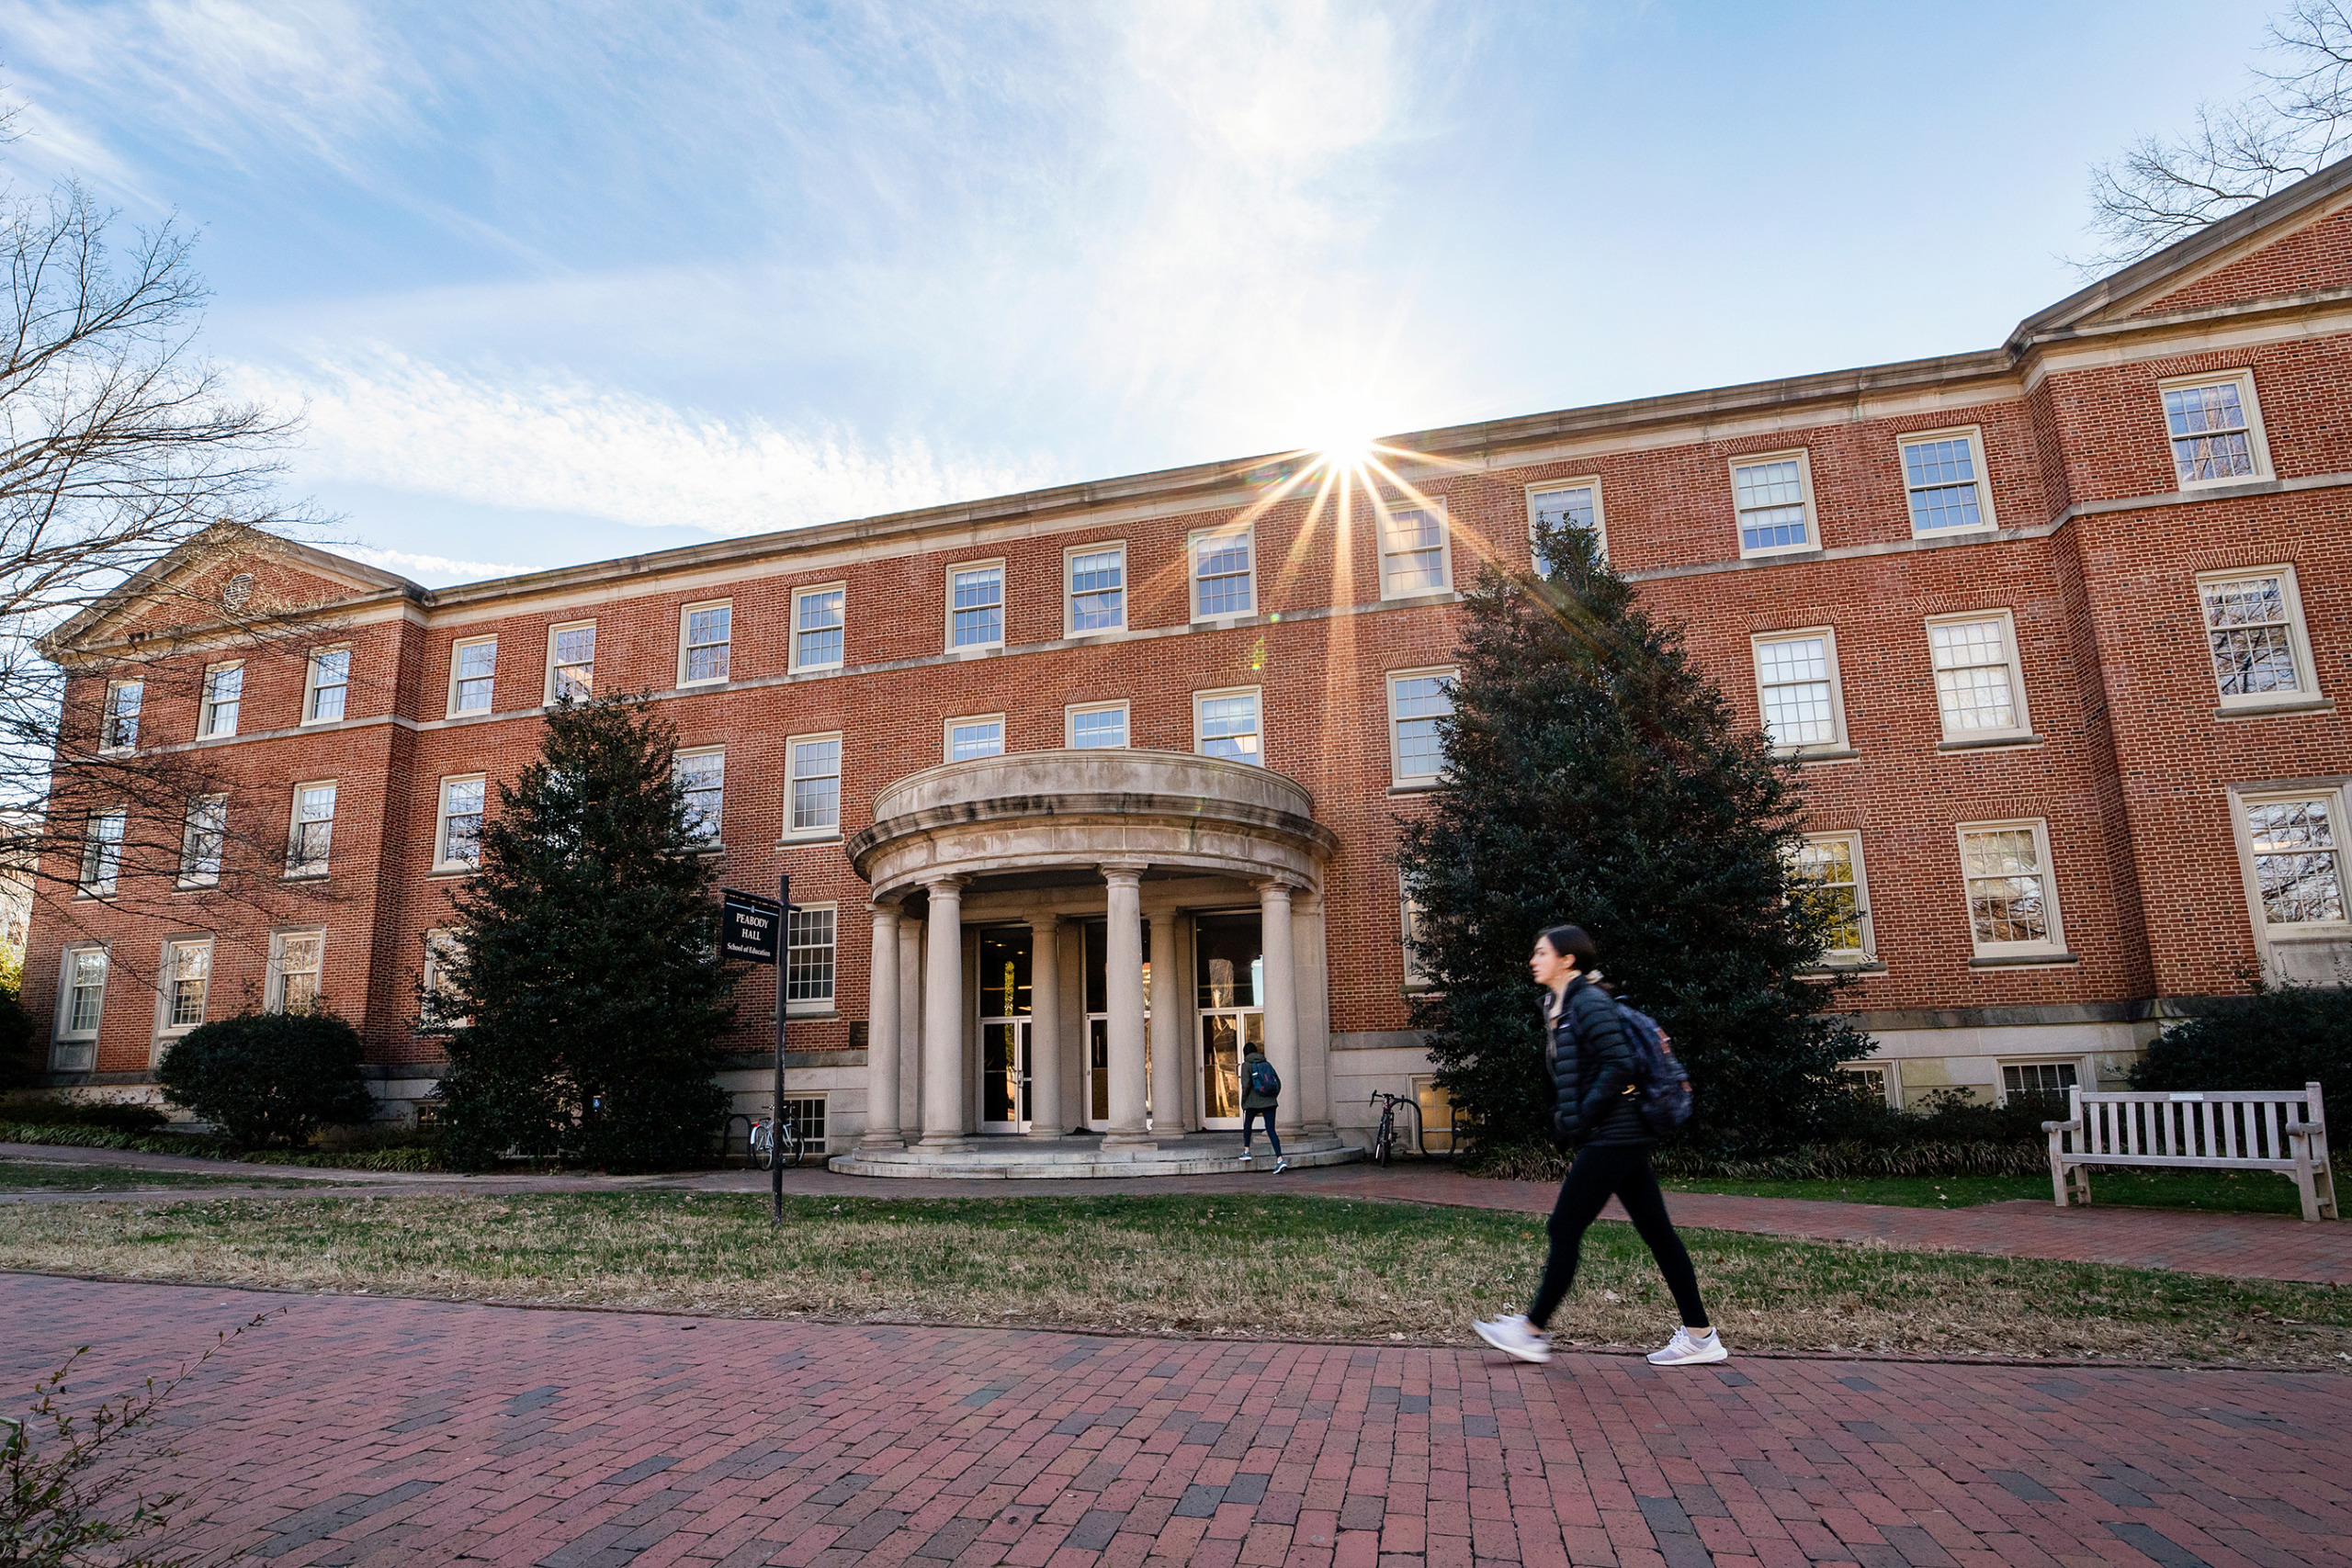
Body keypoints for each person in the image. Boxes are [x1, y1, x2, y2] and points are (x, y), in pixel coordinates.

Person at [1473, 924, 1724, 1367]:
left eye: (1541, 952)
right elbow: (1571, 1072)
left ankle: (1531, 1330)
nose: (1534, 959)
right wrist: (1565, 1118)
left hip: (1614, 1135)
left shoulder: (1589, 1003)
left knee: (1564, 1227)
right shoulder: (1559, 1004)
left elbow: (1618, 1064)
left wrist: (1581, 1116)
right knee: (1658, 1234)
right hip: (1612, 1136)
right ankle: (1701, 1337)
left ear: (1567, 960)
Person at [1236, 1042, 1288, 1173]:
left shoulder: (1246, 1065)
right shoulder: (1266, 1064)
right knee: (1271, 1130)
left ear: (1245, 1053)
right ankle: (1279, 1159)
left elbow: (1246, 1084)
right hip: (1270, 1102)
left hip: (1253, 1102)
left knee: (1248, 1124)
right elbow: (1277, 1082)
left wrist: (1244, 1101)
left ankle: (1247, 1151)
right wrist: (1273, 1096)